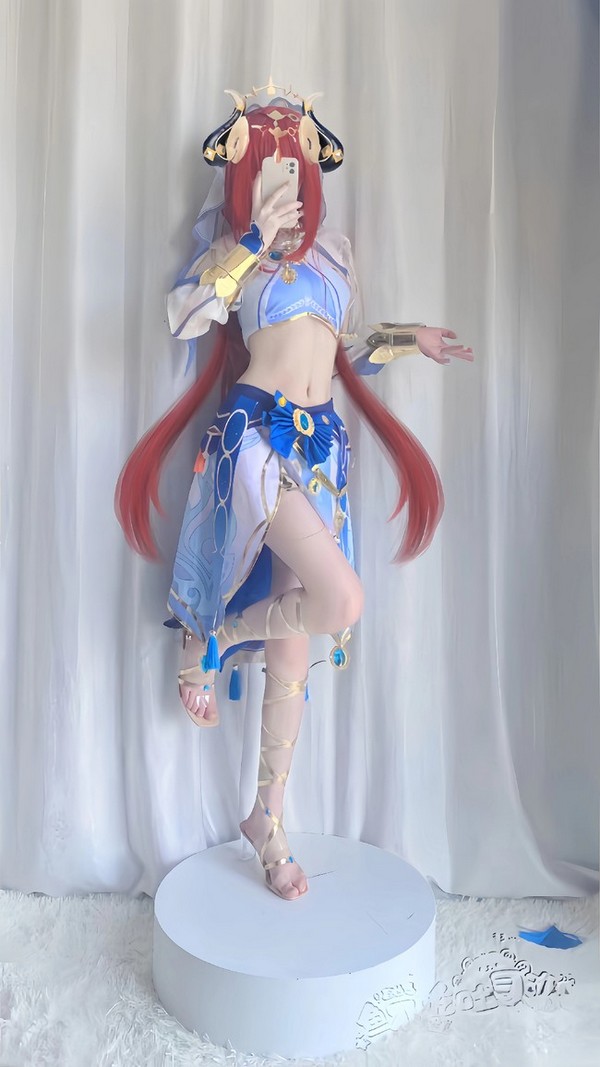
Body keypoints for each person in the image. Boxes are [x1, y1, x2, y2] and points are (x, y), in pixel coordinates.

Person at [115, 83, 474, 901]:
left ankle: (267, 822)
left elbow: (343, 348)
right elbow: (184, 317)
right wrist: (248, 240)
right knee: (341, 600)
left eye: (295, 160)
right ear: (248, 174)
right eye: (271, 161)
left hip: (322, 452)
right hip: (257, 444)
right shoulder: (233, 253)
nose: (286, 174)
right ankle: (208, 637)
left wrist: (407, 339)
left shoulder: (334, 252)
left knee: (294, 649)